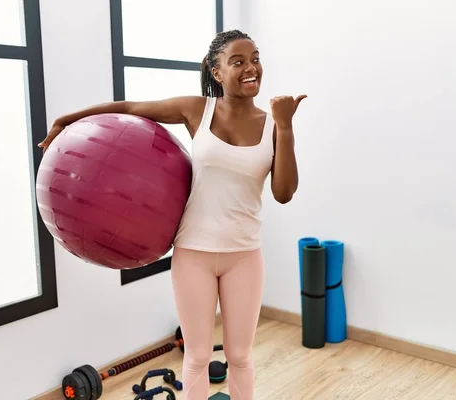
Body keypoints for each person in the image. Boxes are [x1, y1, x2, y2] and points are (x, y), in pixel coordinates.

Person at [38, 29, 305, 400]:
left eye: (256, 59)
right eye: (238, 61)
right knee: (195, 356)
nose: (251, 68)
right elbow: (131, 110)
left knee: (240, 356)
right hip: (193, 253)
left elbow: (284, 193)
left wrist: (286, 126)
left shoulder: (273, 123)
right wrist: (68, 119)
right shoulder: (198, 110)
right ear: (216, 72)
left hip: (245, 254)